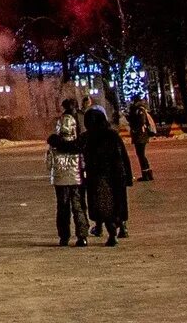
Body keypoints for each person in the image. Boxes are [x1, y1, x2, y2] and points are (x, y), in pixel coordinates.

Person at [81, 106, 131, 245]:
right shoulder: (113, 135)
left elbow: (74, 147)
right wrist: (127, 175)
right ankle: (122, 227)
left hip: (100, 176)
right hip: (117, 175)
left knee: (104, 205)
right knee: (118, 202)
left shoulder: (89, 137)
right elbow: (124, 156)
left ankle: (111, 233)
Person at [46, 104, 88, 247]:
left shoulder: (54, 146)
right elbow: (83, 164)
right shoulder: (79, 145)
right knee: (78, 207)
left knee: (62, 208)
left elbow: (48, 165)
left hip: (60, 180)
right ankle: (82, 236)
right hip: (76, 179)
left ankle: (64, 236)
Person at [126, 98, 156, 182]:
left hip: (140, 135)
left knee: (141, 155)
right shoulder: (139, 109)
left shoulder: (139, 110)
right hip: (141, 135)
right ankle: (147, 173)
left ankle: (146, 174)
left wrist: (134, 128)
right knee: (141, 155)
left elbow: (140, 121)